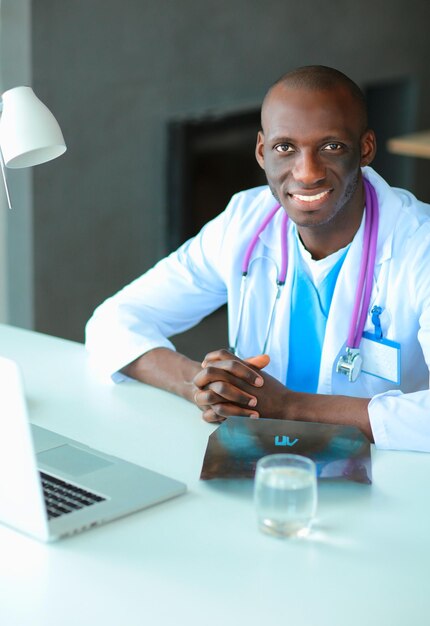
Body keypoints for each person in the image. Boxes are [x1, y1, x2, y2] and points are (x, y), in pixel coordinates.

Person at [85, 65, 430, 452]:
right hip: (260, 461)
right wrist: (204, 386)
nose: (307, 172)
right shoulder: (244, 222)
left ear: (365, 148)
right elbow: (112, 323)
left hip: (391, 476)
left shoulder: (419, 244)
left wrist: (290, 407)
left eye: (331, 146)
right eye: (286, 148)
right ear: (262, 152)